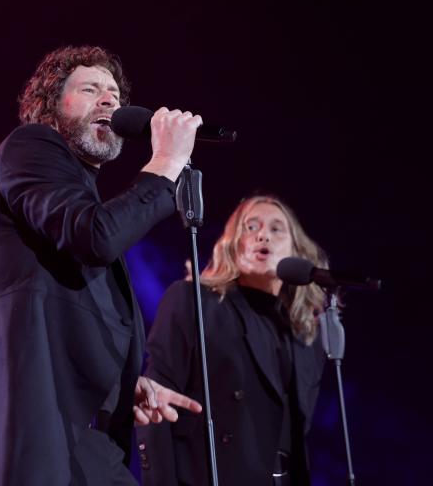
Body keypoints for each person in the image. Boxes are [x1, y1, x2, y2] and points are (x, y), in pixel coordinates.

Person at [0, 45, 205, 485]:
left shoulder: (79, 196)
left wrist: (124, 388)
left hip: (80, 428)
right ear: (49, 106)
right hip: (33, 419)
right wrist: (165, 165)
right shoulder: (31, 144)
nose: (109, 100)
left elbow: (72, 292)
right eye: (90, 89)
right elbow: (95, 237)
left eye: (114, 95)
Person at [139, 195, 329, 486]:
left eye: (277, 229)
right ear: (232, 245)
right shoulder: (194, 302)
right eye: (250, 227)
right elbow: (156, 404)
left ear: (297, 250)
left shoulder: (306, 336)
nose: (263, 234)